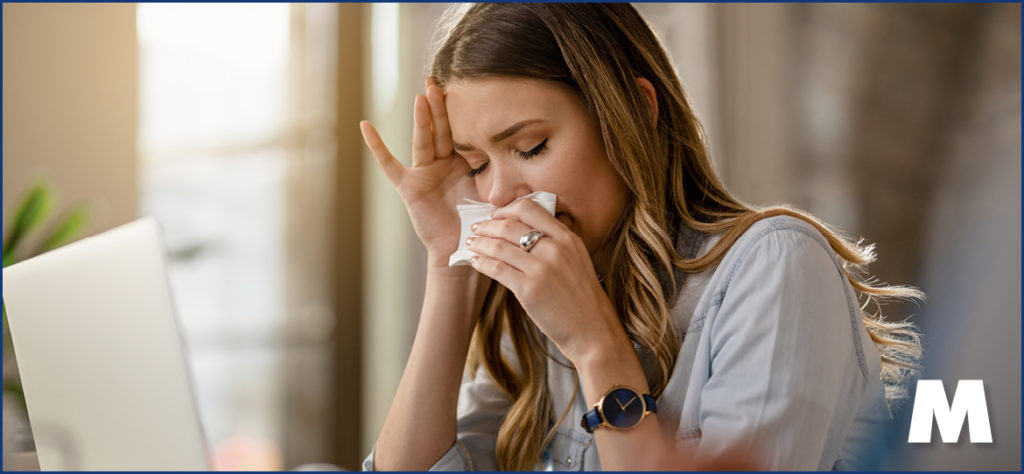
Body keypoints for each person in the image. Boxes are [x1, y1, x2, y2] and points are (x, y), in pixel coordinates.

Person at [358, 4, 921, 471]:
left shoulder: (774, 265)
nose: (500, 196)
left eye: (530, 148)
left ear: (633, 111)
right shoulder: (536, 305)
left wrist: (596, 346)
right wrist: (449, 266)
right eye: (477, 164)